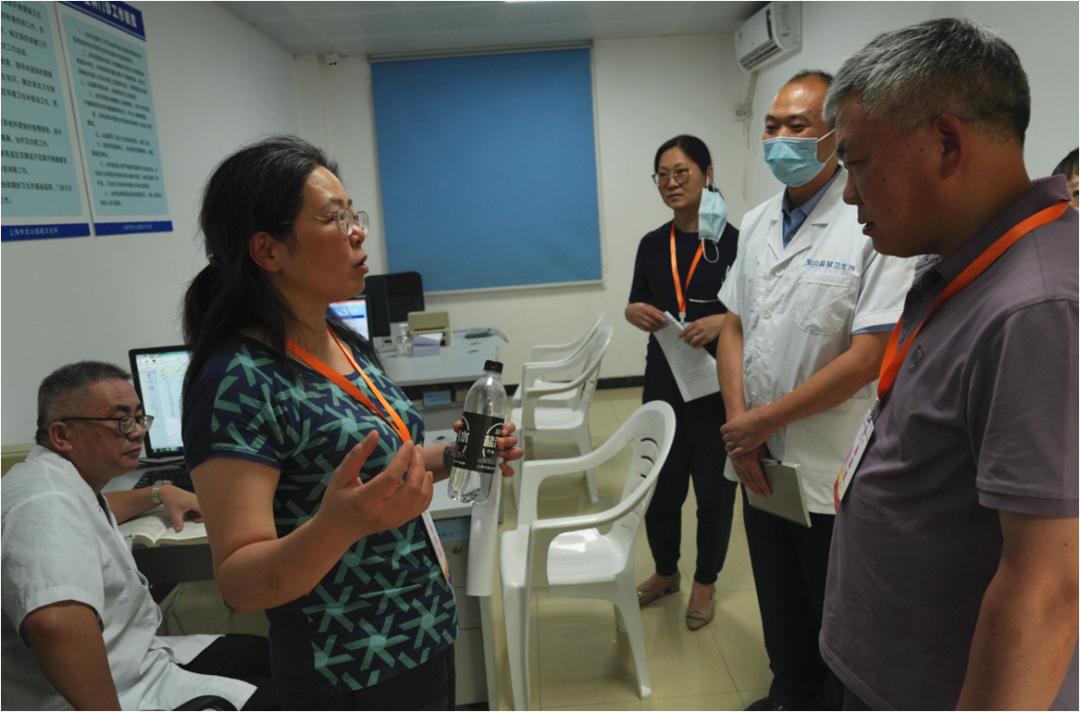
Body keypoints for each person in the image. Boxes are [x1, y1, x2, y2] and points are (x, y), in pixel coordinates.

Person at [180, 136, 523, 710]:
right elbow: (239, 582)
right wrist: (337, 527)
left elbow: (380, 466)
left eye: (352, 214)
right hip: (349, 669)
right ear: (268, 250)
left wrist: (459, 454)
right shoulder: (236, 380)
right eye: (333, 218)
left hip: (424, 628)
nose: (357, 232)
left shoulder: (343, 341)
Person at [820, 18, 1078, 710]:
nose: (849, 194)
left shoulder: (1039, 308)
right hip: (892, 667)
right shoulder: (961, 263)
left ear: (945, 143)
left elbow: (1048, 588)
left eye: (856, 163)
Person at [715, 70, 914, 711]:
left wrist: (763, 421)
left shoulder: (871, 222)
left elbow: (868, 357)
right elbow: (733, 325)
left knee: (834, 611)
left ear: (835, 135)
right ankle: (788, 693)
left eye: (797, 126)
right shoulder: (754, 222)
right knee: (776, 595)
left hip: (831, 465)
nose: (780, 138)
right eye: (771, 126)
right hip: (757, 455)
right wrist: (741, 425)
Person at [1, 361, 276, 711]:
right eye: (121, 421)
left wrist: (158, 493)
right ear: (62, 436)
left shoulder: (53, 483)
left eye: (139, 418)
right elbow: (53, 625)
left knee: (272, 656)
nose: (137, 433)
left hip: (139, 659)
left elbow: (90, 510)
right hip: (119, 692)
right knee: (290, 696)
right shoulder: (45, 504)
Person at [627, 135, 739, 631]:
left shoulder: (734, 243)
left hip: (718, 386)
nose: (671, 183)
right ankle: (666, 571)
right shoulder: (653, 244)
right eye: (663, 175)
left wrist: (723, 323)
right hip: (664, 382)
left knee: (714, 490)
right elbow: (636, 299)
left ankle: (705, 581)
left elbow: (759, 313)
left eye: (682, 172)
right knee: (661, 485)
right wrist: (633, 311)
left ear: (707, 174)